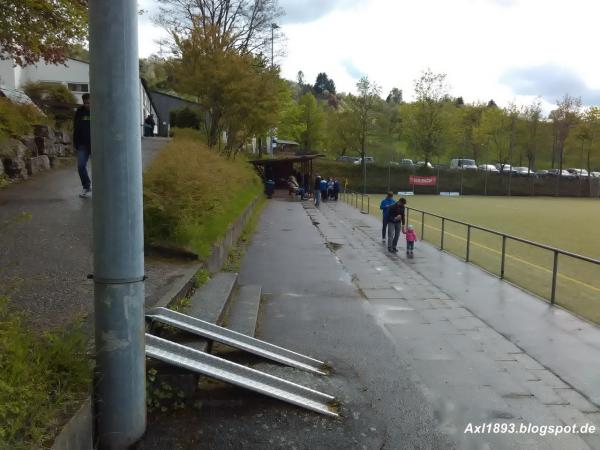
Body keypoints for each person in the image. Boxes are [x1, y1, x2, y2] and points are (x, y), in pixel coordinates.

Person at [73, 93, 91, 198]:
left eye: (89, 103)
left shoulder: (98, 111)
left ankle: (102, 188)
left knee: (100, 168)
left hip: (96, 144)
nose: (87, 105)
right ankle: (86, 186)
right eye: (85, 103)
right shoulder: (79, 112)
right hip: (82, 144)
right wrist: (75, 142)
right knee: (81, 166)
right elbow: (75, 127)